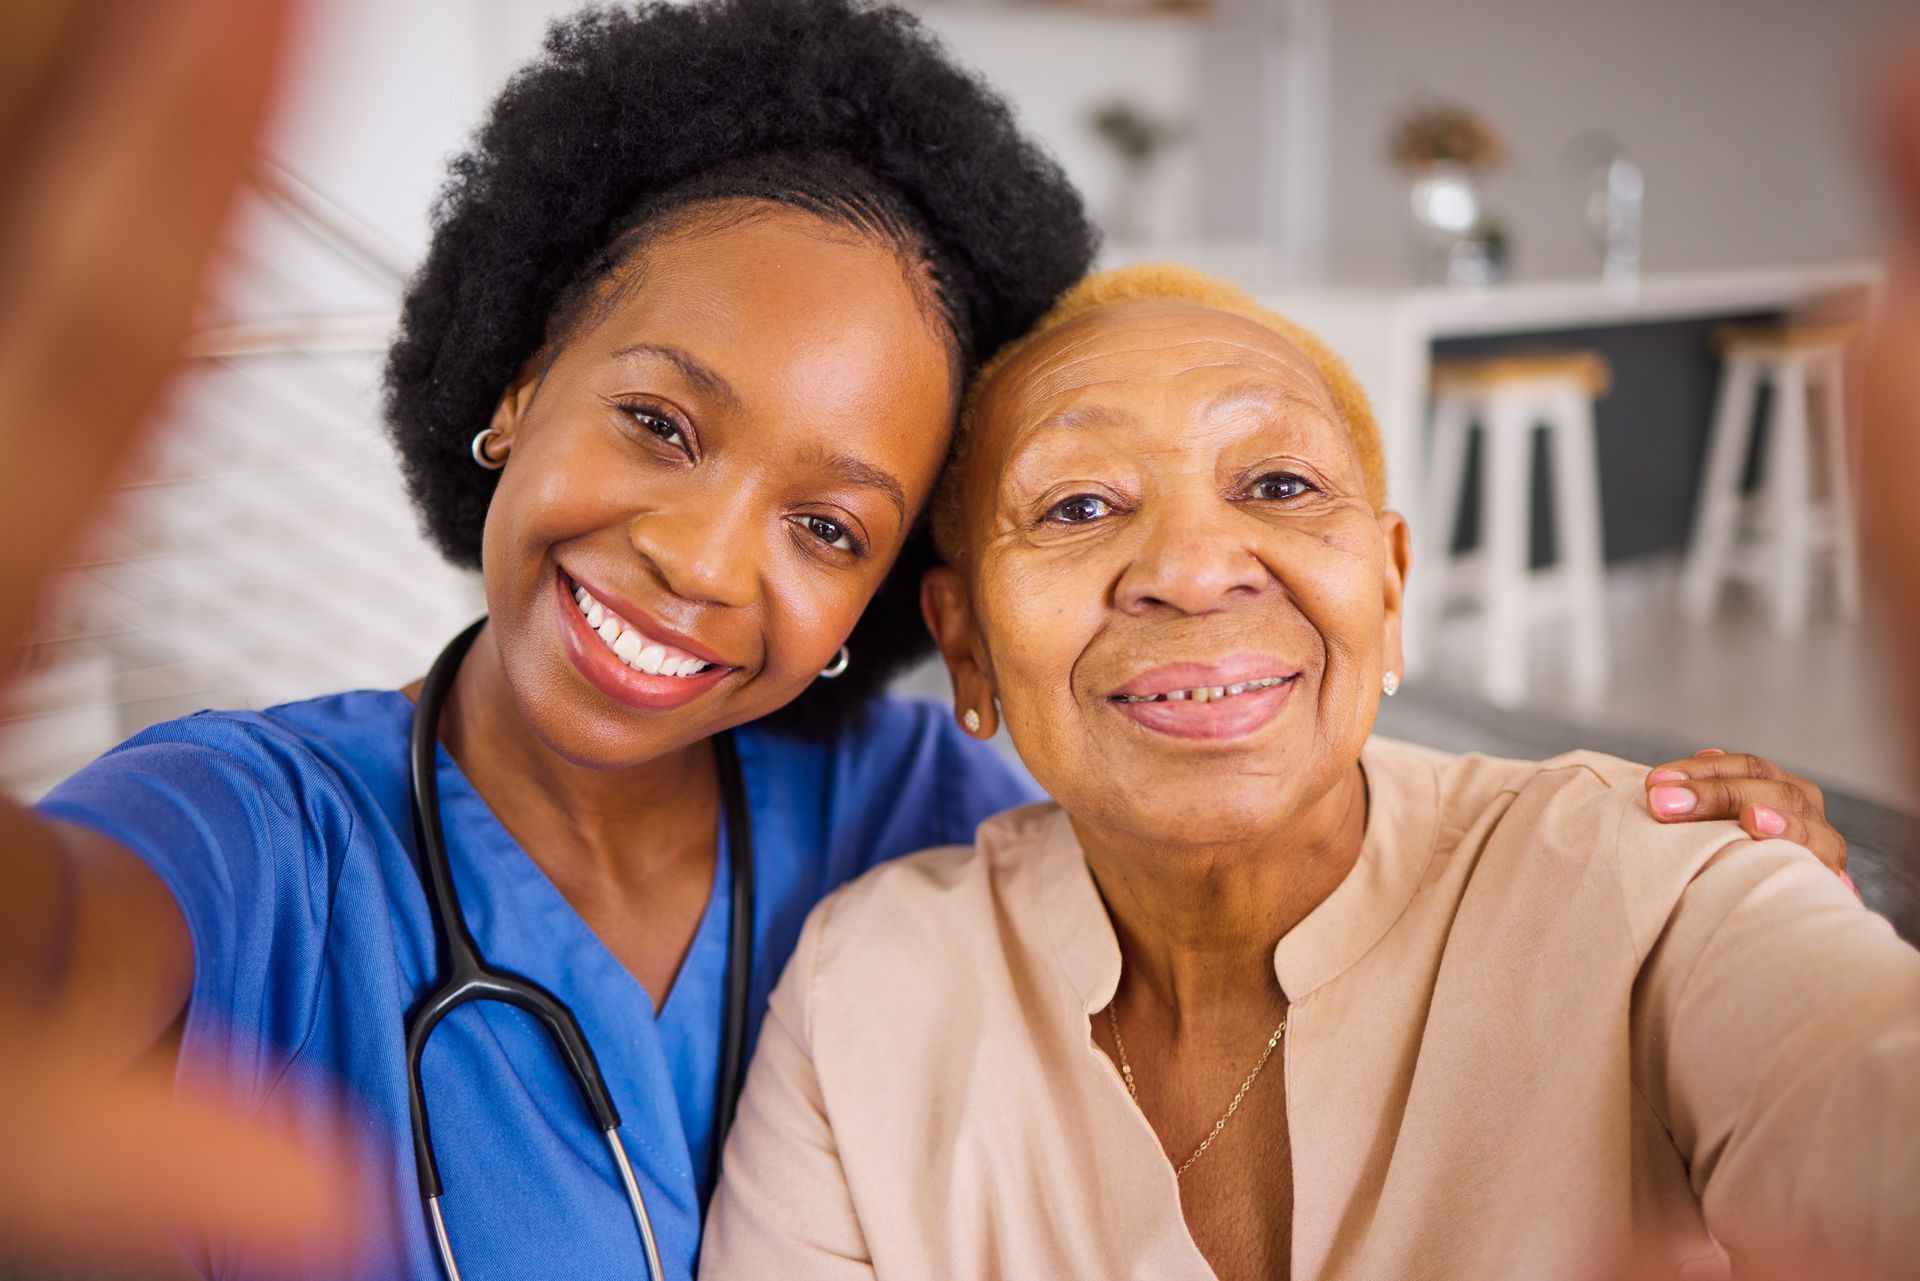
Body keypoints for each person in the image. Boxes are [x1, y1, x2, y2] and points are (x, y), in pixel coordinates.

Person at [0, 1, 1852, 1277]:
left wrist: (1654, 857)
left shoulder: (920, 792)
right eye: (657, 421)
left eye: (829, 525)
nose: (700, 562)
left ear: (908, 613)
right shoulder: (245, 834)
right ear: (512, 384)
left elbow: (1281, 823)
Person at [699, 265, 1920, 1281]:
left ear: (1388, 594)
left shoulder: (1651, 883)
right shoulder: (862, 1000)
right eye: (1076, 506)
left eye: (1278, 486)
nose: (1190, 566)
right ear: (965, 644)